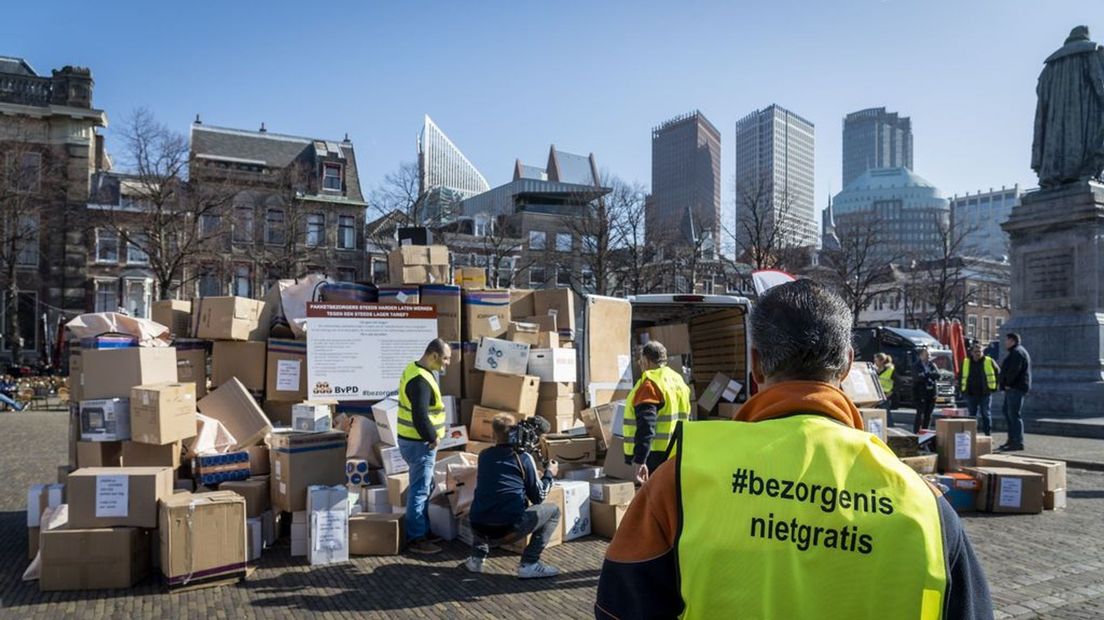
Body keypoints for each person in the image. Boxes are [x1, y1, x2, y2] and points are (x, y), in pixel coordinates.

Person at [595, 280, 992, 619]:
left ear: (756, 366)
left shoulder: (678, 483)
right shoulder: (926, 508)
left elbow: (619, 607)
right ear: (848, 365)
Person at [464, 413, 562, 579]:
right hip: (508, 532)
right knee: (554, 511)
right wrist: (549, 475)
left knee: (486, 498)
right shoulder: (523, 459)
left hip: (478, 528)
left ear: (493, 435)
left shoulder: (484, 456)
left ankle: (477, 558)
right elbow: (539, 496)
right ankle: (529, 563)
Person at [396, 338, 452, 555]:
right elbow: (420, 415)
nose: (447, 363)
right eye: (445, 359)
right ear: (434, 356)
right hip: (420, 444)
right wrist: (433, 438)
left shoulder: (414, 369)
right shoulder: (420, 381)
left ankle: (423, 529)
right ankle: (417, 538)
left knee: (423, 486)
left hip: (412, 441)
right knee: (419, 490)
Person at [624, 341, 691, 484]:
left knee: (654, 500)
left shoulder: (650, 384)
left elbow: (646, 425)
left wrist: (640, 459)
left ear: (647, 361)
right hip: (677, 451)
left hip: (655, 456)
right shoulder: (678, 380)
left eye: (641, 360)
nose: (639, 364)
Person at [999, 332, 1031, 452]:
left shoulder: (1017, 353)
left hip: (1015, 388)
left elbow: (1014, 371)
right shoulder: (1016, 352)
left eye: (1007, 340)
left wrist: (1007, 384)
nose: (1005, 343)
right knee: (1008, 413)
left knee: (1014, 414)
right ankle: (1012, 439)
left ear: (1012, 341)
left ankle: (1017, 441)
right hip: (1013, 388)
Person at [961, 342, 1000, 436]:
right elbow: (961, 376)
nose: (978, 353)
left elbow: (998, 373)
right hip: (971, 394)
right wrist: (962, 390)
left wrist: (995, 387)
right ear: (971, 352)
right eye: (975, 351)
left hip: (985, 393)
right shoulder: (966, 361)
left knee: (985, 414)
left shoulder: (989, 360)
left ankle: (988, 435)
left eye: (980, 351)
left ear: (983, 352)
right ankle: (972, 435)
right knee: (972, 416)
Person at [912, 347, 939, 434]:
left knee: (928, 415)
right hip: (920, 394)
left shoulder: (932, 365)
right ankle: (916, 433)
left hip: (932, 394)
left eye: (929, 354)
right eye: (926, 354)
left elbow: (937, 375)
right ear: (921, 356)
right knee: (920, 414)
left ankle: (925, 433)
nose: (929, 356)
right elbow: (918, 378)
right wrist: (929, 376)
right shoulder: (916, 366)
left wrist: (927, 374)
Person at [874, 353, 895, 425]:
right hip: (878, 395)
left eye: (876, 361)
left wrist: (891, 393)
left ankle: (891, 429)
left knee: (887, 415)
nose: (875, 362)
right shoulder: (876, 370)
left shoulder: (890, 370)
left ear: (881, 361)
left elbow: (898, 383)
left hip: (885, 395)